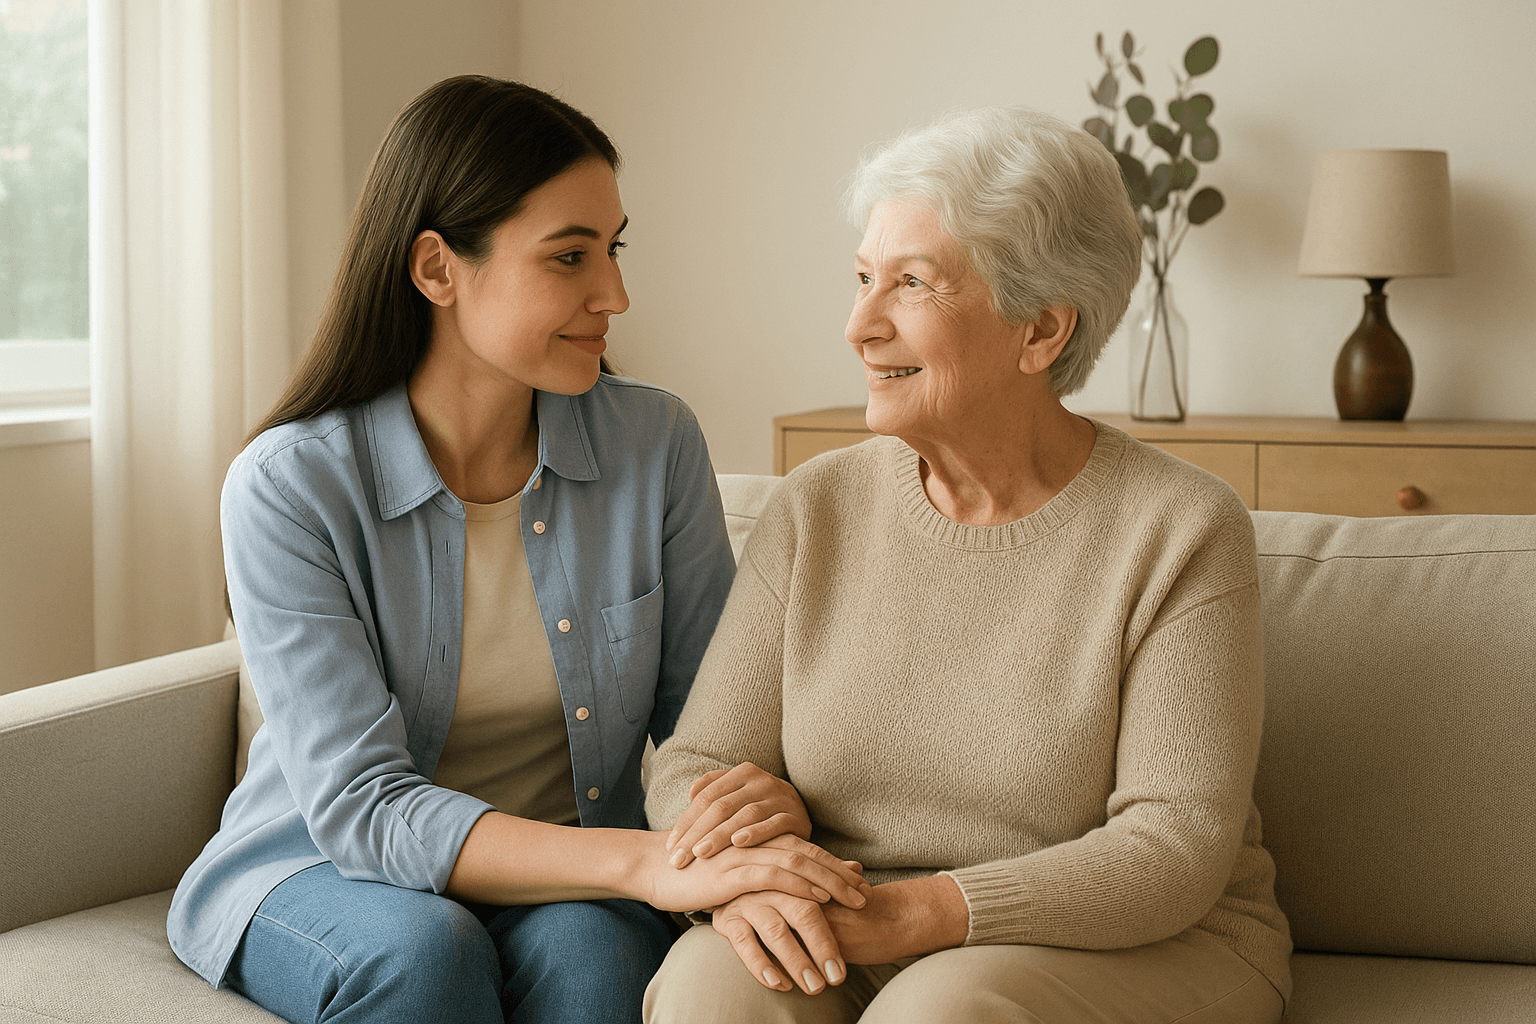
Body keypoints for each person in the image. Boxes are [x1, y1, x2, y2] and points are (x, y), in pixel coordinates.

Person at [167, 76, 868, 1024]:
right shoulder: (289, 485)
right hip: (319, 868)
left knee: (596, 960)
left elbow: (712, 727)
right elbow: (363, 807)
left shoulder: (655, 444)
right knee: (425, 953)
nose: (615, 294)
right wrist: (646, 864)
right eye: (570, 256)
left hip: (569, 871)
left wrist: (736, 836)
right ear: (437, 268)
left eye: (613, 250)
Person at [642, 107, 1293, 1024]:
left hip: (1134, 941)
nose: (858, 326)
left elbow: (1172, 847)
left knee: (940, 1012)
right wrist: (742, 865)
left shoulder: (1179, 528)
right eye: (863, 278)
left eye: (910, 284)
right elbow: (697, 762)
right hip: (853, 920)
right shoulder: (815, 507)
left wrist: (918, 913)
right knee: (712, 987)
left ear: (1042, 331)